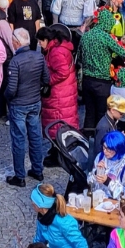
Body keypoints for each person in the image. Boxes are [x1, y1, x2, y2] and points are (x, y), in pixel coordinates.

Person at [4, 29, 49, 188]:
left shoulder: (15, 62)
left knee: (19, 139)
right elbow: (46, 79)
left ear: (16, 42)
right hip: (35, 102)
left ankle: (20, 176)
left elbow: (11, 89)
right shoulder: (39, 57)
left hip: (19, 105)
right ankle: (37, 170)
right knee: (35, 136)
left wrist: (6, 98)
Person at [78, 10, 125, 133]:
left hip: (87, 81)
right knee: (102, 114)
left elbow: (79, 57)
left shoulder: (86, 35)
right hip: (102, 83)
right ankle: (100, 142)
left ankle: (87, 140)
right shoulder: (106, 37)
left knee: (89, 113)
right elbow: (124, 52)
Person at [37, 25, 78, 165]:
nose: (39, 44)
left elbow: (62, 73)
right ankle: (56, 151)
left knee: (57, 124)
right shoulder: (59, 48)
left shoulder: (55, 52)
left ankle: (58, 156)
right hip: (64, 92)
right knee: (61, 123)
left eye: (40, 41)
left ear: (47, 40)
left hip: (59, 95)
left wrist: (48, 80)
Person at [29, 184, 87, 248]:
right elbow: (39, 241)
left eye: (33, 200)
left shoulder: (65, 222)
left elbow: (82, 245)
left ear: (40, 204)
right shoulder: (42, 218)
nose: (31, 202)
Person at [88, 132, 125, 201]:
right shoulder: (100, 156)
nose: (105, 151)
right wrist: (96, 172)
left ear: (118, 150)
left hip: (115, 205)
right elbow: (90, 183)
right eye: (104, 147)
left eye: (108, 149)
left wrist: (108, 181)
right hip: (97, 200)